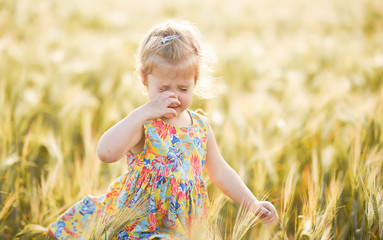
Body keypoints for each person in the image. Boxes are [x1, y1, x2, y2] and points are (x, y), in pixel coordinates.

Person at [46, 20, 279, 240]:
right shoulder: (145, 125)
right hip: (141, 224)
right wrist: (144, 112)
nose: (173, 96)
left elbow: (220, 171)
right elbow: (106, 153)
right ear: (145, 80)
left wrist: (253, 204)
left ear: (195, 83)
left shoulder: (200, 127)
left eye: (183, 88)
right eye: (164, 88)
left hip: (183, 227)